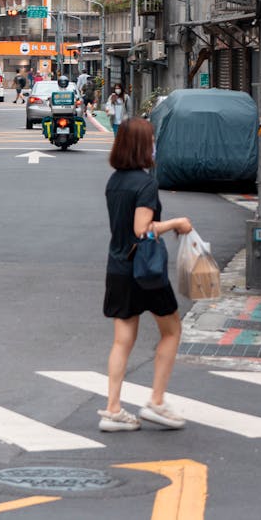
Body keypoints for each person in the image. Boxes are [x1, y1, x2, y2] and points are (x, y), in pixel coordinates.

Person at [98, 117, 192, 433]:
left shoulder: (115, 181)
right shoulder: (145, 183)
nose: (154, 144)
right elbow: (143, 229)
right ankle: (156, 401)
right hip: (145, 270)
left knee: (122, 340)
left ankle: (112, 410)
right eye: (151, 139)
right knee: (171, 330)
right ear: (142, 145)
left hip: (118, 267)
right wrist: (177, 223)